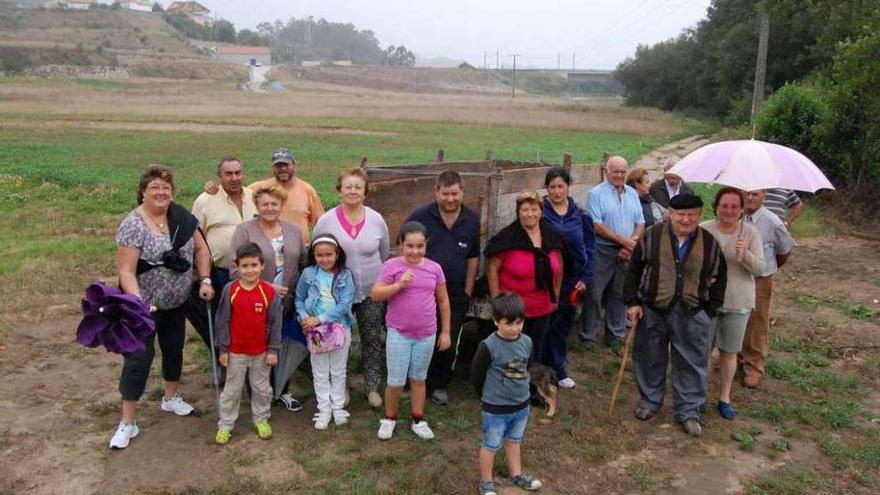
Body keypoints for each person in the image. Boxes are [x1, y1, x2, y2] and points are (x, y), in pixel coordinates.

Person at [110, 164, 214, 449]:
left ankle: (170, 398)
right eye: (154, 187)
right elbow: (127, 271)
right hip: (143, 307)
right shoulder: (133, 224)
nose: (161, 192)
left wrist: (205, 279)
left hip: (177, 302)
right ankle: (127, 422)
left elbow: (202, 249)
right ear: (143, 191)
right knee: (138, 360)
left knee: (174, 348)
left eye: (166, 187)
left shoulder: (181, 217)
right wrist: (137, 302)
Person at [623, 194, 727, 437]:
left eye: (692, 214)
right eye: (681, 214)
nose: (686, 219)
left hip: (692, 313)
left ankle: (688, 411)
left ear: (700, 215)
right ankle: (650, 401)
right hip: (653, 309)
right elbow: (633, 271)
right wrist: (633, 302)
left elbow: (720, 278)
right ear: (670, 213)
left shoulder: (709, 242)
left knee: (691, 363)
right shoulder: (651, 236)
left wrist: (710, 309)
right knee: (649, 357)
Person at [313, 167, 390, 409]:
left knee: (371, 339)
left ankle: (372, 387)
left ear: (365, 192)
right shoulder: (326, 220)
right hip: (336, 296)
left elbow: (384, 252)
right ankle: (341, 387)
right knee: (339, 339)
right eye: (348, 187)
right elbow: (317, 251)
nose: (353, 191)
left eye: (358, 187)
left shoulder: (376, 219)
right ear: (340, 190)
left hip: (370, 292)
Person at [229, 184, 307, 412]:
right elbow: (235, 270)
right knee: (258, 347)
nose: (270, 208)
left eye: (275, 203)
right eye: (265, 204)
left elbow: (302, 261)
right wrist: (266, 287)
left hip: (287, 301)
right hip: (256, 301)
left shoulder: (293, 230)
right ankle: (259, 396)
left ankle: (282, 390)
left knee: (281, 345)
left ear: (282, 205)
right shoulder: (245, 230)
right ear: (257, 205)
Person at [405, 170, 480, 406]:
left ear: (462, 193)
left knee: (447, 342)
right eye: (445, 193)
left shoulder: (472, 219)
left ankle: (439, 384)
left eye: (455, 194)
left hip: (455, 294)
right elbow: (405, 251)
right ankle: (414, 381)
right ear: (436, 192)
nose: (450, 199)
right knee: (419, 337)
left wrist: (468, 290)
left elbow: (473, 256)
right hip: (422, 293)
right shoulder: (420, 217)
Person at [371, 221, 451, 440]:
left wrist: (446, 332)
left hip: (426, 333)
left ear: (426, 245)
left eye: (420, 246)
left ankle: (417, 419)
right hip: (399, 333)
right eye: (410, 246)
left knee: (418, 379)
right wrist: (398, 285)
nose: (415, 251)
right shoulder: (392, 266)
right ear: (401, 245)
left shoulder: (434, 268)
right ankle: (389, 418)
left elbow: (443, 301)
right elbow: (376, 294)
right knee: (395, 381)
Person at [190, 157, 258, 378]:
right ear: (219, 176)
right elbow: (195, 235)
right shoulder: (205, 200)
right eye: (228, 174)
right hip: (220, 271)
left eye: (238, 172)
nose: (234, 178)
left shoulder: (253, 195)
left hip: (252, 272)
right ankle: (221, 360)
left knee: (248, 319)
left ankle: (249, 362)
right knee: (223, 319)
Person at [700, 188, 765, 420]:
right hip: (708, 301)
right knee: (703, 350)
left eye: (734, 207)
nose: (729, 211)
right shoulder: (704, 229)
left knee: (729, 352)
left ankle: (725, 397)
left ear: (741, 209)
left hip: (738, 301)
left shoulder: (750, 232)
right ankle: (699, 395)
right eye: (724, 206)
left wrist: (745, 254)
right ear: (716, 207)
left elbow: (760, 268)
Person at [472, 292, 543, 495]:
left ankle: (516, 474)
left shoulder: (527, 341)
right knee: (491, 444)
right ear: (496, 321)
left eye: (519, 323)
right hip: (495, 408)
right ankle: (486, 482)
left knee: (514, 441)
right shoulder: (488, 346)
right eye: (509, 324)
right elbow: (477, 375)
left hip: (521, 406)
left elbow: (527, 366)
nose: (514, 329)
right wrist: (485, 398)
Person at [213, 242, 282, 445]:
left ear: (262, 266)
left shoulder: (268, 292)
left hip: (261, 352)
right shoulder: (230, 290)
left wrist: (273, 349)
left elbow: (275, 323)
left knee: (261, 388)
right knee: (232, 389)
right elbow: (223, 320)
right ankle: (225, 424)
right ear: (237, 267)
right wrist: (223, 349)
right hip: (236, 352)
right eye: (245, 266)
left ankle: (261, 418)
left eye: (254, 265)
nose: (249, 270)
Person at [485, 191, 564, 366]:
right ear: (518, 212)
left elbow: (559, 266)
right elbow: (492, 268)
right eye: (525, 210)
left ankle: (529, 387)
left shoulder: (550, 234)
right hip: (513, 310)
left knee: (535, 350)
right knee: (511, 352)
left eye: (534, 209)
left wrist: (555, 296)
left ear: (541, 212)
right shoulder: (508, 238)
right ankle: (508, 387)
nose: (530, 214)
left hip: (542, 306)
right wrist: (497, 300)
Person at [295, 234, 356, 430]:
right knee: (320, 371)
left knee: (338, 370)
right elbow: (299, 298)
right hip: (316, 333)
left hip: (339, 328)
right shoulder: (308, 274)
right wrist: (305, 318)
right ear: (314, 255)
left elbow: (346, 303)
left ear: (337, 254)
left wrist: (320, 319)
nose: (324, 259)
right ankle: (324, 408)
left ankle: (338, 406)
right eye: (319, 255)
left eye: (329, 254)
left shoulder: (345, 275)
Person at [583, 156, 645, 349]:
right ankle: (588, 336)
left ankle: (615, 335)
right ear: (606, 171)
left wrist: (631, 243)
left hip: (628, 249)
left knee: (620, 293)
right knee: (595, 292)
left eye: (623, 172)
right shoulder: (596, 194)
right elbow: (597, 225)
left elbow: (640, 222)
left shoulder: (633, 194)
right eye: (615, 171)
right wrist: (624, 241)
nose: (619, 175)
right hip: (602, 249)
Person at [542, 167, 594, 389]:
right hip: (545, 278)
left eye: (560, 186)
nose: (556, 191)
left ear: (568, 188)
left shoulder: (580, 215)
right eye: (552, 187)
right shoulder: (540, 213)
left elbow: (590, 248)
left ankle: (559, 368)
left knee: (562, 323)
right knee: (542, 323)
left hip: (571, 279)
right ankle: (539, 367)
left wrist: (586, 275)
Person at [205, 147, 324, 242]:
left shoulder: (307, 190)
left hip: (298, 252)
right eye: (278, 166)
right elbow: (235, 190)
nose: (282, 169)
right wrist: (214, 186)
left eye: (286, 165)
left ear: (294, 165)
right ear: (272, 168)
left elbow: (320, 223)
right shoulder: (258, 188)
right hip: (267, 252)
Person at [740, 189, 795, 389]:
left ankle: (754, 365)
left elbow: (785, 250)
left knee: (758, 320)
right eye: (746, 194)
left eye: (754, 194)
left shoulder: (772, 221)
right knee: (738, 316)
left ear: (763, 196)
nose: (750, 198)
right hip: (739, 276)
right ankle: (737, 355)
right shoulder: (738, 216)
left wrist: (769, 269)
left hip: (761, 277)